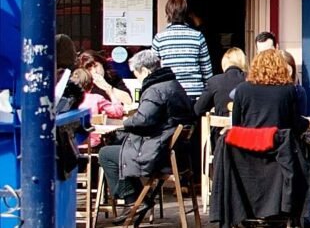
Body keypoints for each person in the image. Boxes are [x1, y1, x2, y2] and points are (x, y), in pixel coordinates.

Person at [98, 50, 195, 227]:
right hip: (173, 150)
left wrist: (125, 123)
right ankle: (136, 199)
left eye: (136, 73)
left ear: (144, 71)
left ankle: (132, 199)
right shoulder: (173, 84)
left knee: (106, 153)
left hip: (159, 151)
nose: (137, 77)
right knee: (119, 145)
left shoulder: (155, 90)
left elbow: (143, 119)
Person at [231, 49, 310, 135]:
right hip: (280, 145)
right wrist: (308, 123)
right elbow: (295, 125)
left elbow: (235, 125)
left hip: (249, 145)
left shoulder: (241, 89)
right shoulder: (288, 90)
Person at [151, 0, 213, 102]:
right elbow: (207, 71)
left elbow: (154, 71)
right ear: (186, 13)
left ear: (167, 13)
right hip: (195, 94)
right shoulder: (198, 36)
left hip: (169, 93)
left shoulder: (159, 38)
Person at [71, 68, 125, 148]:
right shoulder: (96, 99)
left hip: (71, 144)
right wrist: (111, 93)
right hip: (91, 143)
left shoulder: (67, 101)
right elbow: (118, 112)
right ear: (91, 84)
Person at [194, 47, 247, 117]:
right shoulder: (251, 79)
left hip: (221, 127)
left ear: (224, 62)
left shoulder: (214, 81)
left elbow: (198, 110)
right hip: (246, 127)